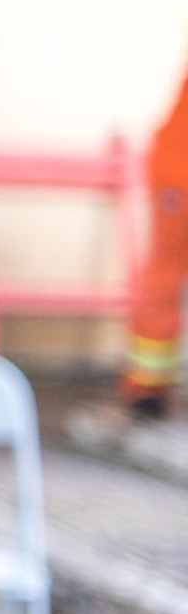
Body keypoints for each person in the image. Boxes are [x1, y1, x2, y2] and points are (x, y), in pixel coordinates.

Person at [126, 63, 188, 420]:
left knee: (165, 279)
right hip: (179, 177)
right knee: (165, 279)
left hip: (176, 170)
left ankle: (150, 388)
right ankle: (147, 391)